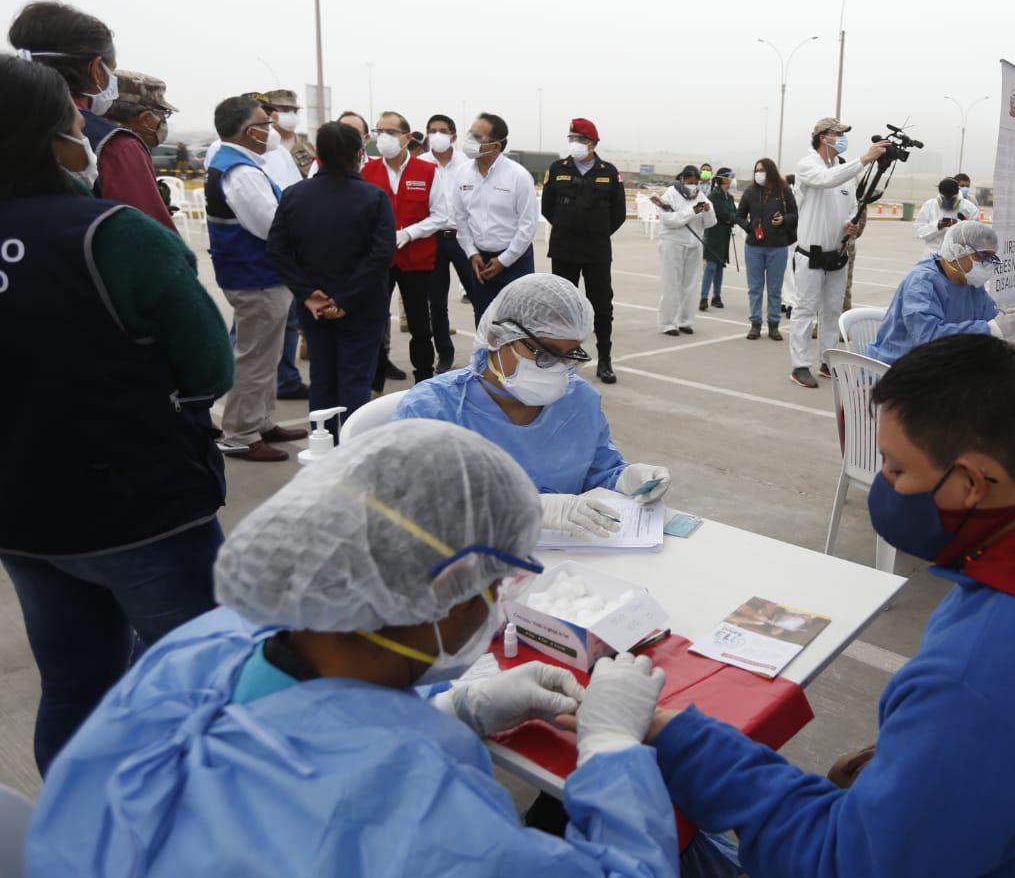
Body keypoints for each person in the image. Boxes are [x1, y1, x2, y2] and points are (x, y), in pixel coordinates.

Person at [649, 334, 1015, 877]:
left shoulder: (981, 673)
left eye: (895, 467)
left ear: (969, 482)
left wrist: (684, 740)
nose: (884, 486)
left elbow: (845, 865)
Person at [27, 419, 678, 875]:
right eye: (495, 582)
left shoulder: (204, 644)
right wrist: (613, 751)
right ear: (446, 590)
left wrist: (457, 710)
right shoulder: (414, 817)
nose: (498, 601)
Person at [0, 55, 230, 773]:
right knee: (207, 682)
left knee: (74, 689)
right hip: (143, 511)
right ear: (51, 140)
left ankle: (76, 836)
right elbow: (209, 363)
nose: (87, 141)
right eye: (77, 125)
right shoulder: (112, 234)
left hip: (22, 517)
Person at [396, 275, 672, 531]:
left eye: (569, 355)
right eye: (543, 353)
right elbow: (408, 507)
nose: (556, 368)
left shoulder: (578, 400)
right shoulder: (432, 409)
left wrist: (624, 478)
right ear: (496, 337)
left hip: (572, 565)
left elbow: (596, 470)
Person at [267, 121, 396, 423]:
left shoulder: (294, 196)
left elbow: (277, 250)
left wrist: (308, 294)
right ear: (359, 154)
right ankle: (352, 450)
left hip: (315, 308)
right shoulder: (374, 198)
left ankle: (322, 447)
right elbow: (381, 254)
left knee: (322, 380)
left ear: (318, 156)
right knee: (355, 382)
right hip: (362, 306)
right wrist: (345, 300)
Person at [9, 1, 177, 231]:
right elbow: (159, 250)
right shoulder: (116, 146)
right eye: (112, 70)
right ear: (96, 69)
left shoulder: (12, 123)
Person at [206, 94, 307, 461]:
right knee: (254, 358)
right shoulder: (242, 172)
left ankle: (261, 421)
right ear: (250, 131)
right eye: (266, 123)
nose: (272, 129)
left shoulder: (236, 162)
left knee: (266, 354)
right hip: (256, 277)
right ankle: (241, 434)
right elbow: (272, 226)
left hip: (256, 275)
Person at [786, 118, 890, 387]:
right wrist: (865, 158)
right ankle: (799, 366)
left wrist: (851, 226)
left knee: (832, 312)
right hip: (811, 255)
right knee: (805, 311)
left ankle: (827, 361)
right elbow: (825, 180)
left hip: (838, 254)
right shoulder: (808, 165)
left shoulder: (845, 172)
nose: (842, 138)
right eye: (838, 133)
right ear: (823, 137)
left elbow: (849, 207)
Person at [363, 110, 448, 388]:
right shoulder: (368, 171)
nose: (383, 138)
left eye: (390, 132)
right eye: (379, 132)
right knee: (375, 320)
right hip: (380, 260)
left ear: (407, 137)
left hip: (417, 260)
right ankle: (374, 381)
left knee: (420, 324)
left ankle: (423, 379)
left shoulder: (428, 171)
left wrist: (409, 234)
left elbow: (440, 216)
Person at [544, 118, 627, 384]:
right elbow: (548, 208)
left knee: (602, 306)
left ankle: (605, 359)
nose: (574, 144)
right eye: (571, 139)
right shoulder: (557, 169)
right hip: (564, 249)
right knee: (562, 307)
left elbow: (619, 213)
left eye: (579, 139)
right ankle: (562, 358)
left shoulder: (608, 172)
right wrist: (569, 228)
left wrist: (596, 232)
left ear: (592, 143)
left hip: (596, 251)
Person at [864, 222, 1004, 365]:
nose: (987, 264)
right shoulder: (922, 282)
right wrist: (989, 329)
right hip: (899, 367)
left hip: (939, 364)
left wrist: (1004, 321)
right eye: (982, 256)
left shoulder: (970, 282)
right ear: (958, 251)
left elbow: (989, 315)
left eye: (991, 258)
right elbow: (928, 336)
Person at [254, 90, 312, 400]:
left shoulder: (298, 148)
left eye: (293, 109)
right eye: (282, 109)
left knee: (288, 317)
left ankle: (285, 377)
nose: (289, 114)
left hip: (292, 241)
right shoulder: (253, 150)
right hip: (264, 245)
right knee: (254, 325)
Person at [455, 112, 539, 323]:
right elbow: (461, 219)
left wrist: (504, 260)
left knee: (518, 323)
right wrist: (472, 253)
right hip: (480, 263)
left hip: (515, 261)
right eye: (470, 135)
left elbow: (528, 225)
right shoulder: (463, 173)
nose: (470, 141)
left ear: (496, 146)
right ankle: (485, 357)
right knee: (484, 321)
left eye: (477, 137)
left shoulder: (518, 176)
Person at [420, 113, 470, 372]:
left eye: (442, 130)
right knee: (436, 302)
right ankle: (445, 353)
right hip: (433, 240)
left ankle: (485, 352)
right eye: (432, 130)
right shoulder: (419, 164)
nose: (437, 135)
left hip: (463, 239)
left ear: (453, 136)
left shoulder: (467, 163)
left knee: (478, 295)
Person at [736, 157, 796, 340]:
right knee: (755, 287)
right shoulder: (750, 192)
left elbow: (795, 214)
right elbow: (738, 216)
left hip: (777, 247)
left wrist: (784, 220)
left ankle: (773, 325)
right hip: (754, 246)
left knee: (775, 289)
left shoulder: (784, 190)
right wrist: (750, 227)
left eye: (761, 170)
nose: (758, 174)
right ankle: (755, 323)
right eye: (756, 170)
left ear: (770, 171)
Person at [654, 165, 717, 337]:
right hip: (672, 244)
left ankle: (685, 321)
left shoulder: (700, 195)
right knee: (671, 284)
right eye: (690, 181)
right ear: (682, 178)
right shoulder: (670, 194)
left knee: (690, 285)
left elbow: (711, 223)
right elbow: (669, 220)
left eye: (696, 182)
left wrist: (707, 210)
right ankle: (668, 323)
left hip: (694, 245)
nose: (693, 185)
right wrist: (692, 211)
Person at [699, 168, 737, 311]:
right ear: (722, 179)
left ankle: (717, 296)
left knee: (720, 266)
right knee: (711, 266)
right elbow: (723, 214)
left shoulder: (730, 197)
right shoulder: (714, 196)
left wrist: (732, 218)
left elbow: (734, 213)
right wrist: (731, 218)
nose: (732, 179)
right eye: (729, 177)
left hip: (725, 235)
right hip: (714, 234)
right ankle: (704, 297)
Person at [914, 177, 979, 255]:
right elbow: (919, 233)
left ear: (957, 193)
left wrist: (959, 228)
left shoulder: (969, 208)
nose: (948, 201)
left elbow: (976, 237)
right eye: (945, 197)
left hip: (959, 257)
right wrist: (937, 226)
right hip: (933, 256)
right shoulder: (929, 206)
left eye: (951, 197)